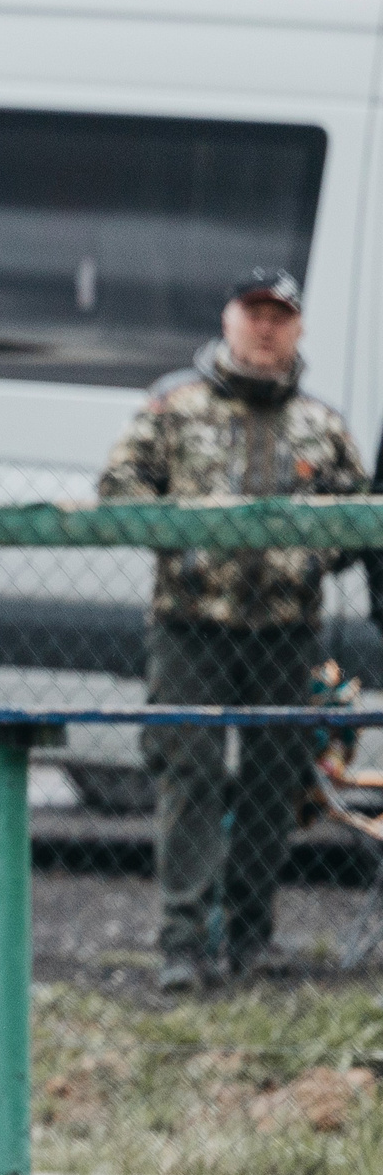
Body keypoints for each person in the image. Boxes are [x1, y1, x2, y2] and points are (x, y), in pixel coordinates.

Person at [97, 269, 365, 991]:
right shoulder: (173, 409)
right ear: (229, 320)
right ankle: (182, 941)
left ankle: (249, 936)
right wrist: (179, 540)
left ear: (298, 328)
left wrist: (314, 551)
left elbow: (359, 518)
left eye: (280, 314)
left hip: (285, 632)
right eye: (255, 313)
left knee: (274, 786)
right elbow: (118, 488)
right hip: (191, 628)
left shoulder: (323, 426)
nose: (266, 326)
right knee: (190, 777)